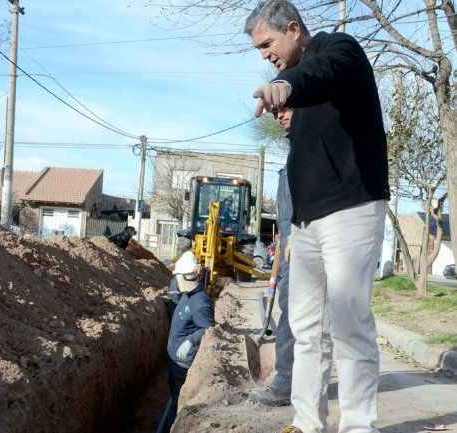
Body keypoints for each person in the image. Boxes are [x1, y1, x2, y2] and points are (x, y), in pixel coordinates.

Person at [246, 2, 390, 433]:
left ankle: (359, 426)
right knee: (306, 329)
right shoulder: (302, 88)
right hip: (306, 220)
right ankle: (308, 423)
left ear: (293, 29)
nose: (265, 55)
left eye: (268, 44)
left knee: (349, 324)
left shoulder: (338, 49)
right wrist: (294, 117)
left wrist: (285, 85)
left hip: (351, 209)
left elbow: (321, 73)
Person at [249, 107, 296, 407]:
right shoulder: (294, 157)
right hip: (291, 244)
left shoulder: (307, 153)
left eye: (286, 109)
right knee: (289, 308)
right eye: (276, 112)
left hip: (303, 247)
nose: (279, 116)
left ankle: (286, 382)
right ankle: (295, 381)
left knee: (292, 312)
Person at [157, 251, 215, 433]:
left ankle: (171, 427)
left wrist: (190, 341)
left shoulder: (200, 302)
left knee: (178, 399)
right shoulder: (187, 294)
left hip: (183, 364)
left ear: (183, 277)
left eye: (176, 277)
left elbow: (208, 329)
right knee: (173, 392)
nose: (175, 281)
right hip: (174, 359)